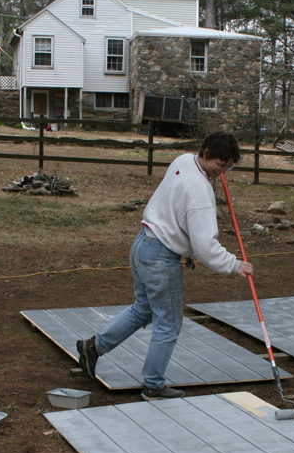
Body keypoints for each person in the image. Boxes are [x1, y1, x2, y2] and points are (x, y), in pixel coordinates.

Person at [76, 132, 254, 401]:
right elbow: (205, 246)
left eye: (229, 166)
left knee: (144, 308)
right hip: (161, 255)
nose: (223, 172)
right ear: (206, 153)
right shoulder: (200, 192)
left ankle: (95, 347)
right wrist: (234, 264)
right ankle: (153, 385)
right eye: (220, 165)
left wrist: (212, 175)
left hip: (143, 244)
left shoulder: (183, 159)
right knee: (168, 324)